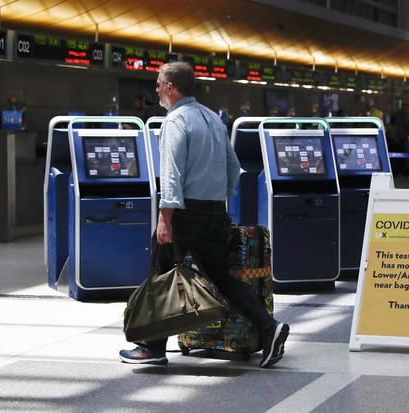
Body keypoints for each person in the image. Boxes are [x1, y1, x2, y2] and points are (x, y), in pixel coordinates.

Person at [119, 62, 289, 368]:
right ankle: (269, 328)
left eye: (159, 84)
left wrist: (165, 217)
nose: (156, 90)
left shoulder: (175, 122)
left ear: (171, 88)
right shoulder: (213, 118)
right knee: (221, 277)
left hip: (185, 212)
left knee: (160, 273)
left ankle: (152, 347)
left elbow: (171, 174)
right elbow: (232, 167)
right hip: (214, 211)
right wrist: (219, 197)